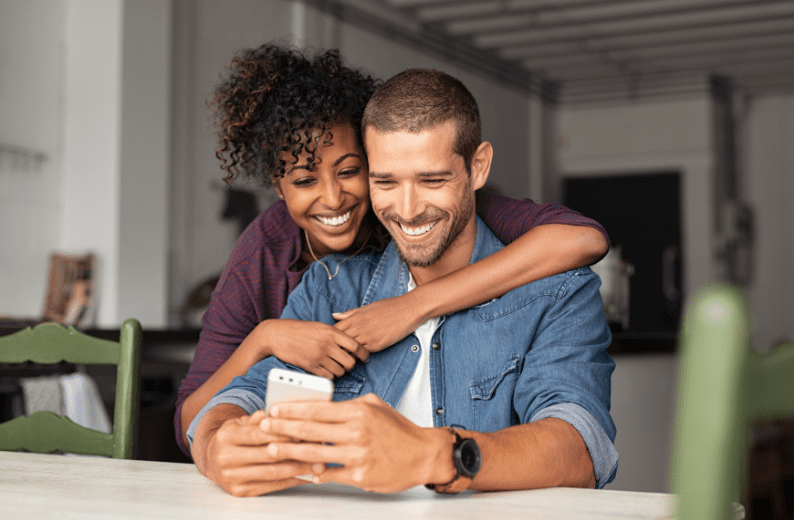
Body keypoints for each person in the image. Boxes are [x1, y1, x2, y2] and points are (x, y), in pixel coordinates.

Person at [187, 68, 617, 497]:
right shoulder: (329, 286)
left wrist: (433, 455)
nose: (408, 210)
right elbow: (237, 398)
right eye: (385, 182)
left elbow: (580, 448)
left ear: (478, 167)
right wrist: (215, 446)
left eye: (432, 180)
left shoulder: (558, 292)